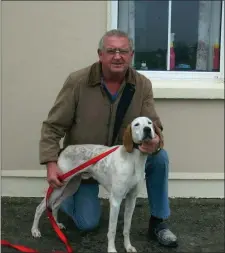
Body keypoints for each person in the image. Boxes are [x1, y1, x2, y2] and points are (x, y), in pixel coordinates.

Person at [39, 29, 178, 248]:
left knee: (160, 158)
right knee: (87, 223)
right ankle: (68, 200)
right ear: (100, 54)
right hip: (85, 162)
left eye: (123, 51)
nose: (117, 56)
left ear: (131, 55)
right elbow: (53, 125)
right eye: (111, 50)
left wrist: (155, 140)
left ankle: (159, 222)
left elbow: (154, 123)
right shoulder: (77, 81)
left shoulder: (142, 84)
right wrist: (50, 162)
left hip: (122, 159)